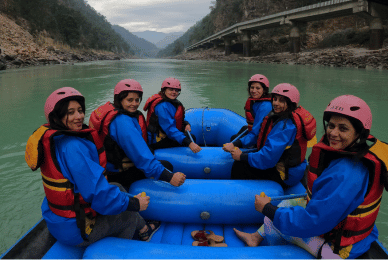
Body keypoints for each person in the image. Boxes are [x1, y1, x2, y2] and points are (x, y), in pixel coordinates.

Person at [251, 95, 388, 258]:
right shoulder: (355, 153)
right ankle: (255, 238)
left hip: (340, 246)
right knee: (287, 204)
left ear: (359, 133)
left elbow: (313, 222)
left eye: (343, 128)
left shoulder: (347, 173)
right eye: (331, 126)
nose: (333, 133)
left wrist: (267, 208)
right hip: (354, 234)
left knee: (271, 222)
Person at [25, 87, 160, 247]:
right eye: (70, 112)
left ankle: (143, 227)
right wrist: (135, 204)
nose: (79, 116)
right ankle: (129, 244)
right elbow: (98, 196)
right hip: (77, 229)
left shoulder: (53, 139)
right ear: (56, 116)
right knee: (128, 215)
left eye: (80, 110)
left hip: (58, 220)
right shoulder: (73, 146)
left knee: (116, 186)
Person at [89, 79, 186, 188]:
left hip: (111, 168)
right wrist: (169, 177)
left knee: (162, 163)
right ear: (119, 99)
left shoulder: (115, 112)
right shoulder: (122, 122)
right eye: (130, 100)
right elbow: (141, 157)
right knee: (167, 166)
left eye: (137, 100)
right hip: (118, 173)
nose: (135, 104)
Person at [224, 83, 316, 189]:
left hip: (285, 175)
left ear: (290, 103)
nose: (276, 103)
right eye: (275, 99)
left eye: (281, 100)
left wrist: (241, 156)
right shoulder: (285, 117)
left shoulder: (286, 126)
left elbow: (267, 158)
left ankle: (237, 195)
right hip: (292, 167)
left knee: (239, 166)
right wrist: (237, 144)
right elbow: (259, 136)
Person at [143, 77, 201, 153]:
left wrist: (185, 124)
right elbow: (169, 129)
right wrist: (189, 143)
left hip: (166, 135)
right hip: (157, 140)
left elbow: (175, 119)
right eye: (171, 89)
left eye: (176, 90)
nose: (174, 92)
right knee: (190, 138)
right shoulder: (162, 106)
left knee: (190, 137)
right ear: (164, 90)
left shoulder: (171, 102)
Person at [226, 74, 272, 146]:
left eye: (258, 88)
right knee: (243, 129)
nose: (254, 91)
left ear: (264, 90)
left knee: (234, 139)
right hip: (256, 132)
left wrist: (237, 143)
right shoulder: (256, 101)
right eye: (252, 87)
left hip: (261, 138)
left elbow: (257, 132)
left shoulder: (265, 106)